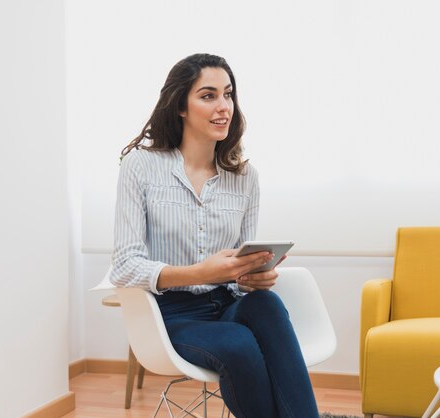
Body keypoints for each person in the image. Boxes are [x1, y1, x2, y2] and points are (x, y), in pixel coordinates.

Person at [110, 53, 320, 418]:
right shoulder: (141, 167)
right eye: (208, 96)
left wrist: (253, 276)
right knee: (238, 343)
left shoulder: (244, 176)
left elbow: (237, 281)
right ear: (180, 106)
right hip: (170, 314)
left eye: (228, 94)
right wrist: (201, 273)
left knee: (268, 304)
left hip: (226, 303)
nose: (224, 106)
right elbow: (125, 267)